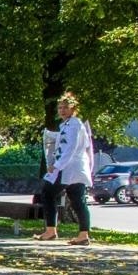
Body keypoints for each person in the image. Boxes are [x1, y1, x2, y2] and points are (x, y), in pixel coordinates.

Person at [35, 90, 93, 245]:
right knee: (77, 199)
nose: (62, 110)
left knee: (47, 192)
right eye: (60, 108)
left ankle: (51, 230)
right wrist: (50, 135)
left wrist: (56, 166)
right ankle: (82, 234)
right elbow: (63, 141)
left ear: (73, 109)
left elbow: (71, 147)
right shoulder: (67, 125)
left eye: (65, 108)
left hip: (69, 167)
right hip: (74, 168)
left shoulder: (74, 125)